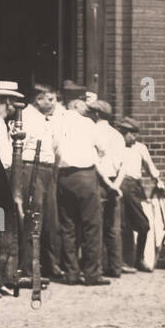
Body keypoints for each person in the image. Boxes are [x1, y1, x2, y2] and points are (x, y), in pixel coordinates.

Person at [51, 82, 111, 286]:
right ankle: (92, 273)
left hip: (64, 177)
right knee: (92, 227)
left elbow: (55, 148)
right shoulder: (87, 124)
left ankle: (71, 273)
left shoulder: (57, 121)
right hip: (86, 176)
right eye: (84, 102)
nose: (87, 106)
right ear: (76, 103)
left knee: (68, 227)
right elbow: (102, 149)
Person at [18, 82, 63, 281]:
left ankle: (51, 266)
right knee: (34, 219)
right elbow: (19, 148)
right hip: (32, 169)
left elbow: (54, 147)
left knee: (50, 221)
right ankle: (29, 270)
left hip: (47, 170)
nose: (54, 103)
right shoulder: (26, 117)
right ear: (39, 99)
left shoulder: (47, 120)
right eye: (50, 99)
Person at [116, 117, 162, 273]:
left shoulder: (140, 148)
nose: (134, 138)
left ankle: (139, 259)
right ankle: (120, 262)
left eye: (135, 134)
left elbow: (150, 167)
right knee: (121, 225)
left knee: (143, 225)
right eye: (131, 134)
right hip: (118, 186)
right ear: (123, 132)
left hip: (134, 187)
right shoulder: (116, 146)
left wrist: (158, 180)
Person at [88, 99, 126, 277]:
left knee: (96, 225)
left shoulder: (93, 132)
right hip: (115, 182)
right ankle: (115, 267)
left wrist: (109, 185)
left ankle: (98, 267)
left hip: (100, 182)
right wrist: (116, 186)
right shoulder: (117, 135)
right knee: (113, 227)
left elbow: (95, 163)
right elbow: (123, 166)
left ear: (96, 114)